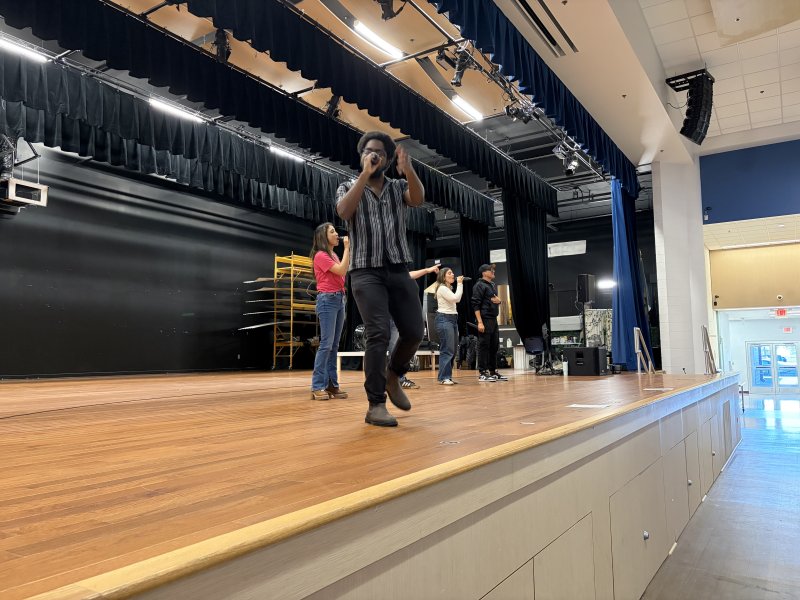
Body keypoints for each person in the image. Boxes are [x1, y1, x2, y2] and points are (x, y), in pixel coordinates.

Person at [336, 131, 425, 427]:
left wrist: (408, 169)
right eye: (369, 151)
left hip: (398, 267)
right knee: (377, 335)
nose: (374, 155)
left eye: (380, 153)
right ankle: (375, 404)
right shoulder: (348, 185)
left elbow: (417, 198)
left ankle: (392, 375)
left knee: (414, 331)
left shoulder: (397, 186)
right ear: (362, 155)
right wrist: (364, 175)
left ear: (387, 159)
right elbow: (344, 211)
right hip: (365, 271)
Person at [310, 223, 350, 400]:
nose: (337, 234)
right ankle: (317, 386)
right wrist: (348, 248)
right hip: (327, 299)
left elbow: (343, 272)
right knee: (326, 344)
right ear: (323, 237)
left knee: (334, 345)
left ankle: (332, 384)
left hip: (339, 298)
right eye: (332, 231)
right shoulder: (320, 255)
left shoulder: (333, 254)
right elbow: (341, 270)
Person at [387, 264, 440, 389]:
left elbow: (410, 275)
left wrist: (427, 270)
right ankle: (396, 379)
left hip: (398, 317)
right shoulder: (387, 275)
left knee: (399, 348)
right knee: (394, 348)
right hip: (391, 317)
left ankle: (396, 378)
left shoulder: (398, 275)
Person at [471, 263, 508, 382]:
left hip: (493, 319)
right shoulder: (479, 285)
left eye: (493, 270)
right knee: (484, 346)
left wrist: (499, 301)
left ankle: (493, 371)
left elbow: (494, 300)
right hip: (484, 319)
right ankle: (482, 372)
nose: (493, 272)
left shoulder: (491, 284)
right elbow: (475, 305)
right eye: (490, 270)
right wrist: (480, 322)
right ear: (484, 273)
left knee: (494, 346)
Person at [434, 268, 464, 385]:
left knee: (453, 349)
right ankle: (444, 377)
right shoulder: (441, 288)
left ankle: (447, 376)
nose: (453, 275)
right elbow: (456, 299)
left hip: (452, 319)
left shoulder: (448, 288)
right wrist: (460, 284)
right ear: (443, 276)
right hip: (444, 319)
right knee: (447, 349)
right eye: (449, 273)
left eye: (453, 272)